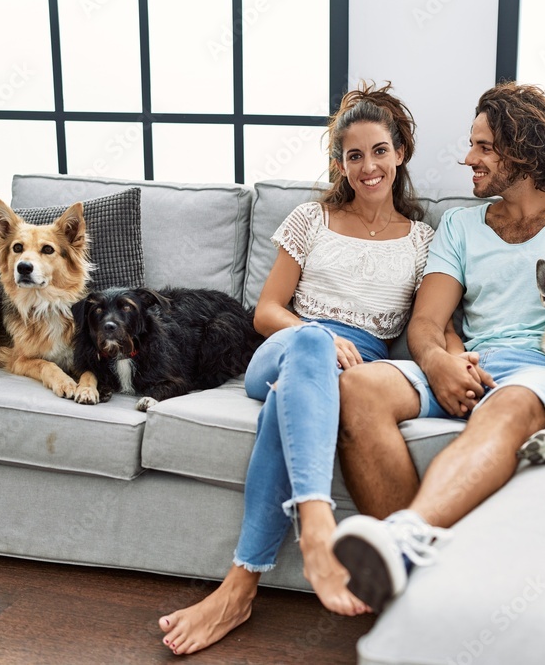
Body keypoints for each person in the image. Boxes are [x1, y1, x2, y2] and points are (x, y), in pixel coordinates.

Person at [330, 82, 545, 612]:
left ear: (524, 149)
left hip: (544, 368)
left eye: (484, 147)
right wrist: (440, 361)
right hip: (469, 360)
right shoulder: (459, 225)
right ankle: (416, 578)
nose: (468, 158)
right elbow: (426, 320)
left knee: (513, 404)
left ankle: (405, 541)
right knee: (357, 387)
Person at [158, 82, 436, 655]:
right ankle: (316, 521)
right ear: (340, 163)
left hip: (352, 370)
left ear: (400, 152)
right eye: (353, 155)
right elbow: (265, 312)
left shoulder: (424, 242)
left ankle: (237, 592)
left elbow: (426, 327)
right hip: (287, 345)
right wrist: (318, 335)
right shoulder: (312, 219)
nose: (367, 166)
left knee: (289, 405)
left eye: (379, 151)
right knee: (307, 349)